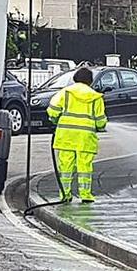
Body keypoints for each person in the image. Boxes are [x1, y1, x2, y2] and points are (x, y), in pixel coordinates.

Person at [46, 68, 107, 202]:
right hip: (85, 138)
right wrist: (100, 126)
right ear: (90, 81)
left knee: (65, 168)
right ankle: (85, 195)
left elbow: (52, 111)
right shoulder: (96, 97)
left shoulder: (65, 93)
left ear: (75, 78)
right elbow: (101, 120)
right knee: (85, 167)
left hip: (66, 136)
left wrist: (55, 120)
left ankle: (65, 195)